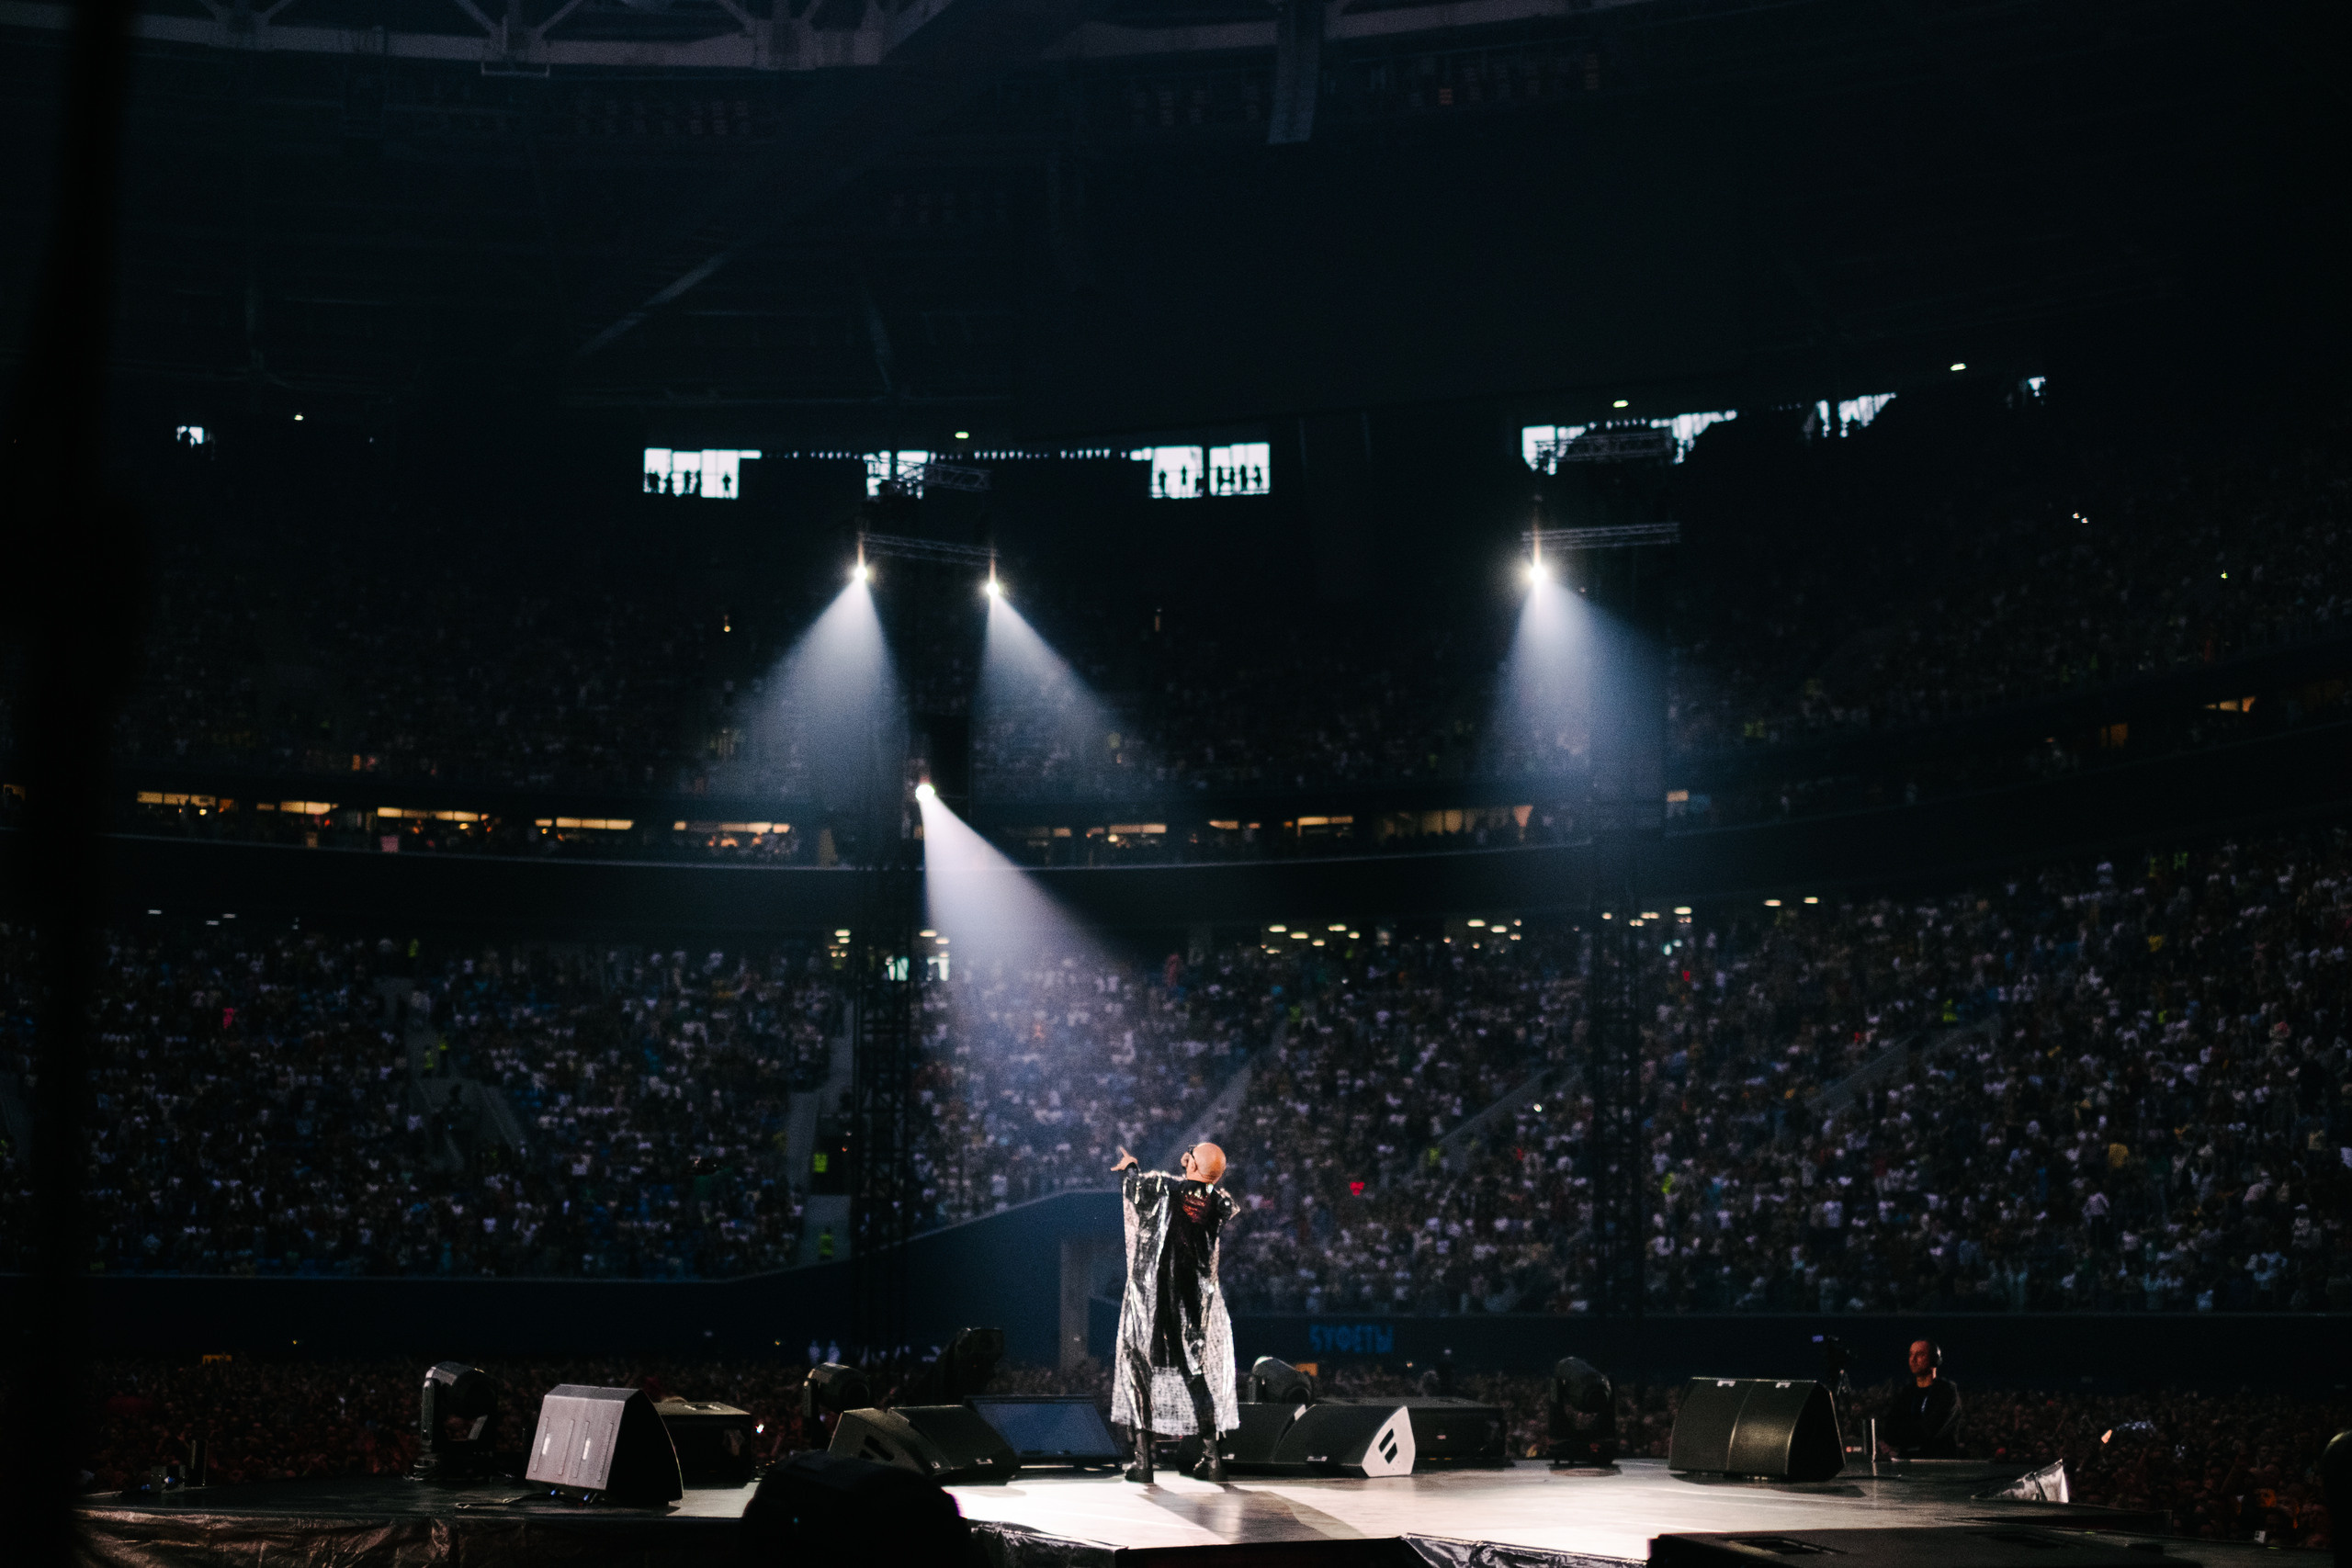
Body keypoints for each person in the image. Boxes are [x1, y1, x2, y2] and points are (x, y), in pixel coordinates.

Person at [1109, 1142, 1238, 1483]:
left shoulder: (1167, 1189)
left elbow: (1136, 1188)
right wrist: (1198, 1170)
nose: (1187, 1151)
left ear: (1194, 1164)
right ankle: (1213, 1461)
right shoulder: (1219, 1203)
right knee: (1196, 1374)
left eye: (1193, 1152)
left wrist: (1131, 1165)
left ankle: (1143, 1463)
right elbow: (1200, 1194)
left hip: (1154, 1299)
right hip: (1192, 1304)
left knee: (1139, 1368)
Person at [1877, 1338, 1962, 1459]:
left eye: (1920, 1354)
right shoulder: (1907, 1392)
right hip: (1908, 1462)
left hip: (1938, 1464)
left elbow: (1932, 1429)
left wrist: (1904, 1432)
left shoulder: (1947, 1391)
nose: (1913, 1359)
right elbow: (1890, 1433)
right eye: (1911, 1354)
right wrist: (1917, 1430)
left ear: (1935, 1359)